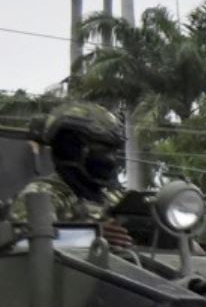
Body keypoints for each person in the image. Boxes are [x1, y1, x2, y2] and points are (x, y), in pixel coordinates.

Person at [6, 102, 133, 248]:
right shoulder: (42, 195)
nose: (110, 159)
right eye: (102, 148)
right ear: (70, 149)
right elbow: (23, 246)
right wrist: (91, 237)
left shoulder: (112, 199)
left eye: (113, 151)